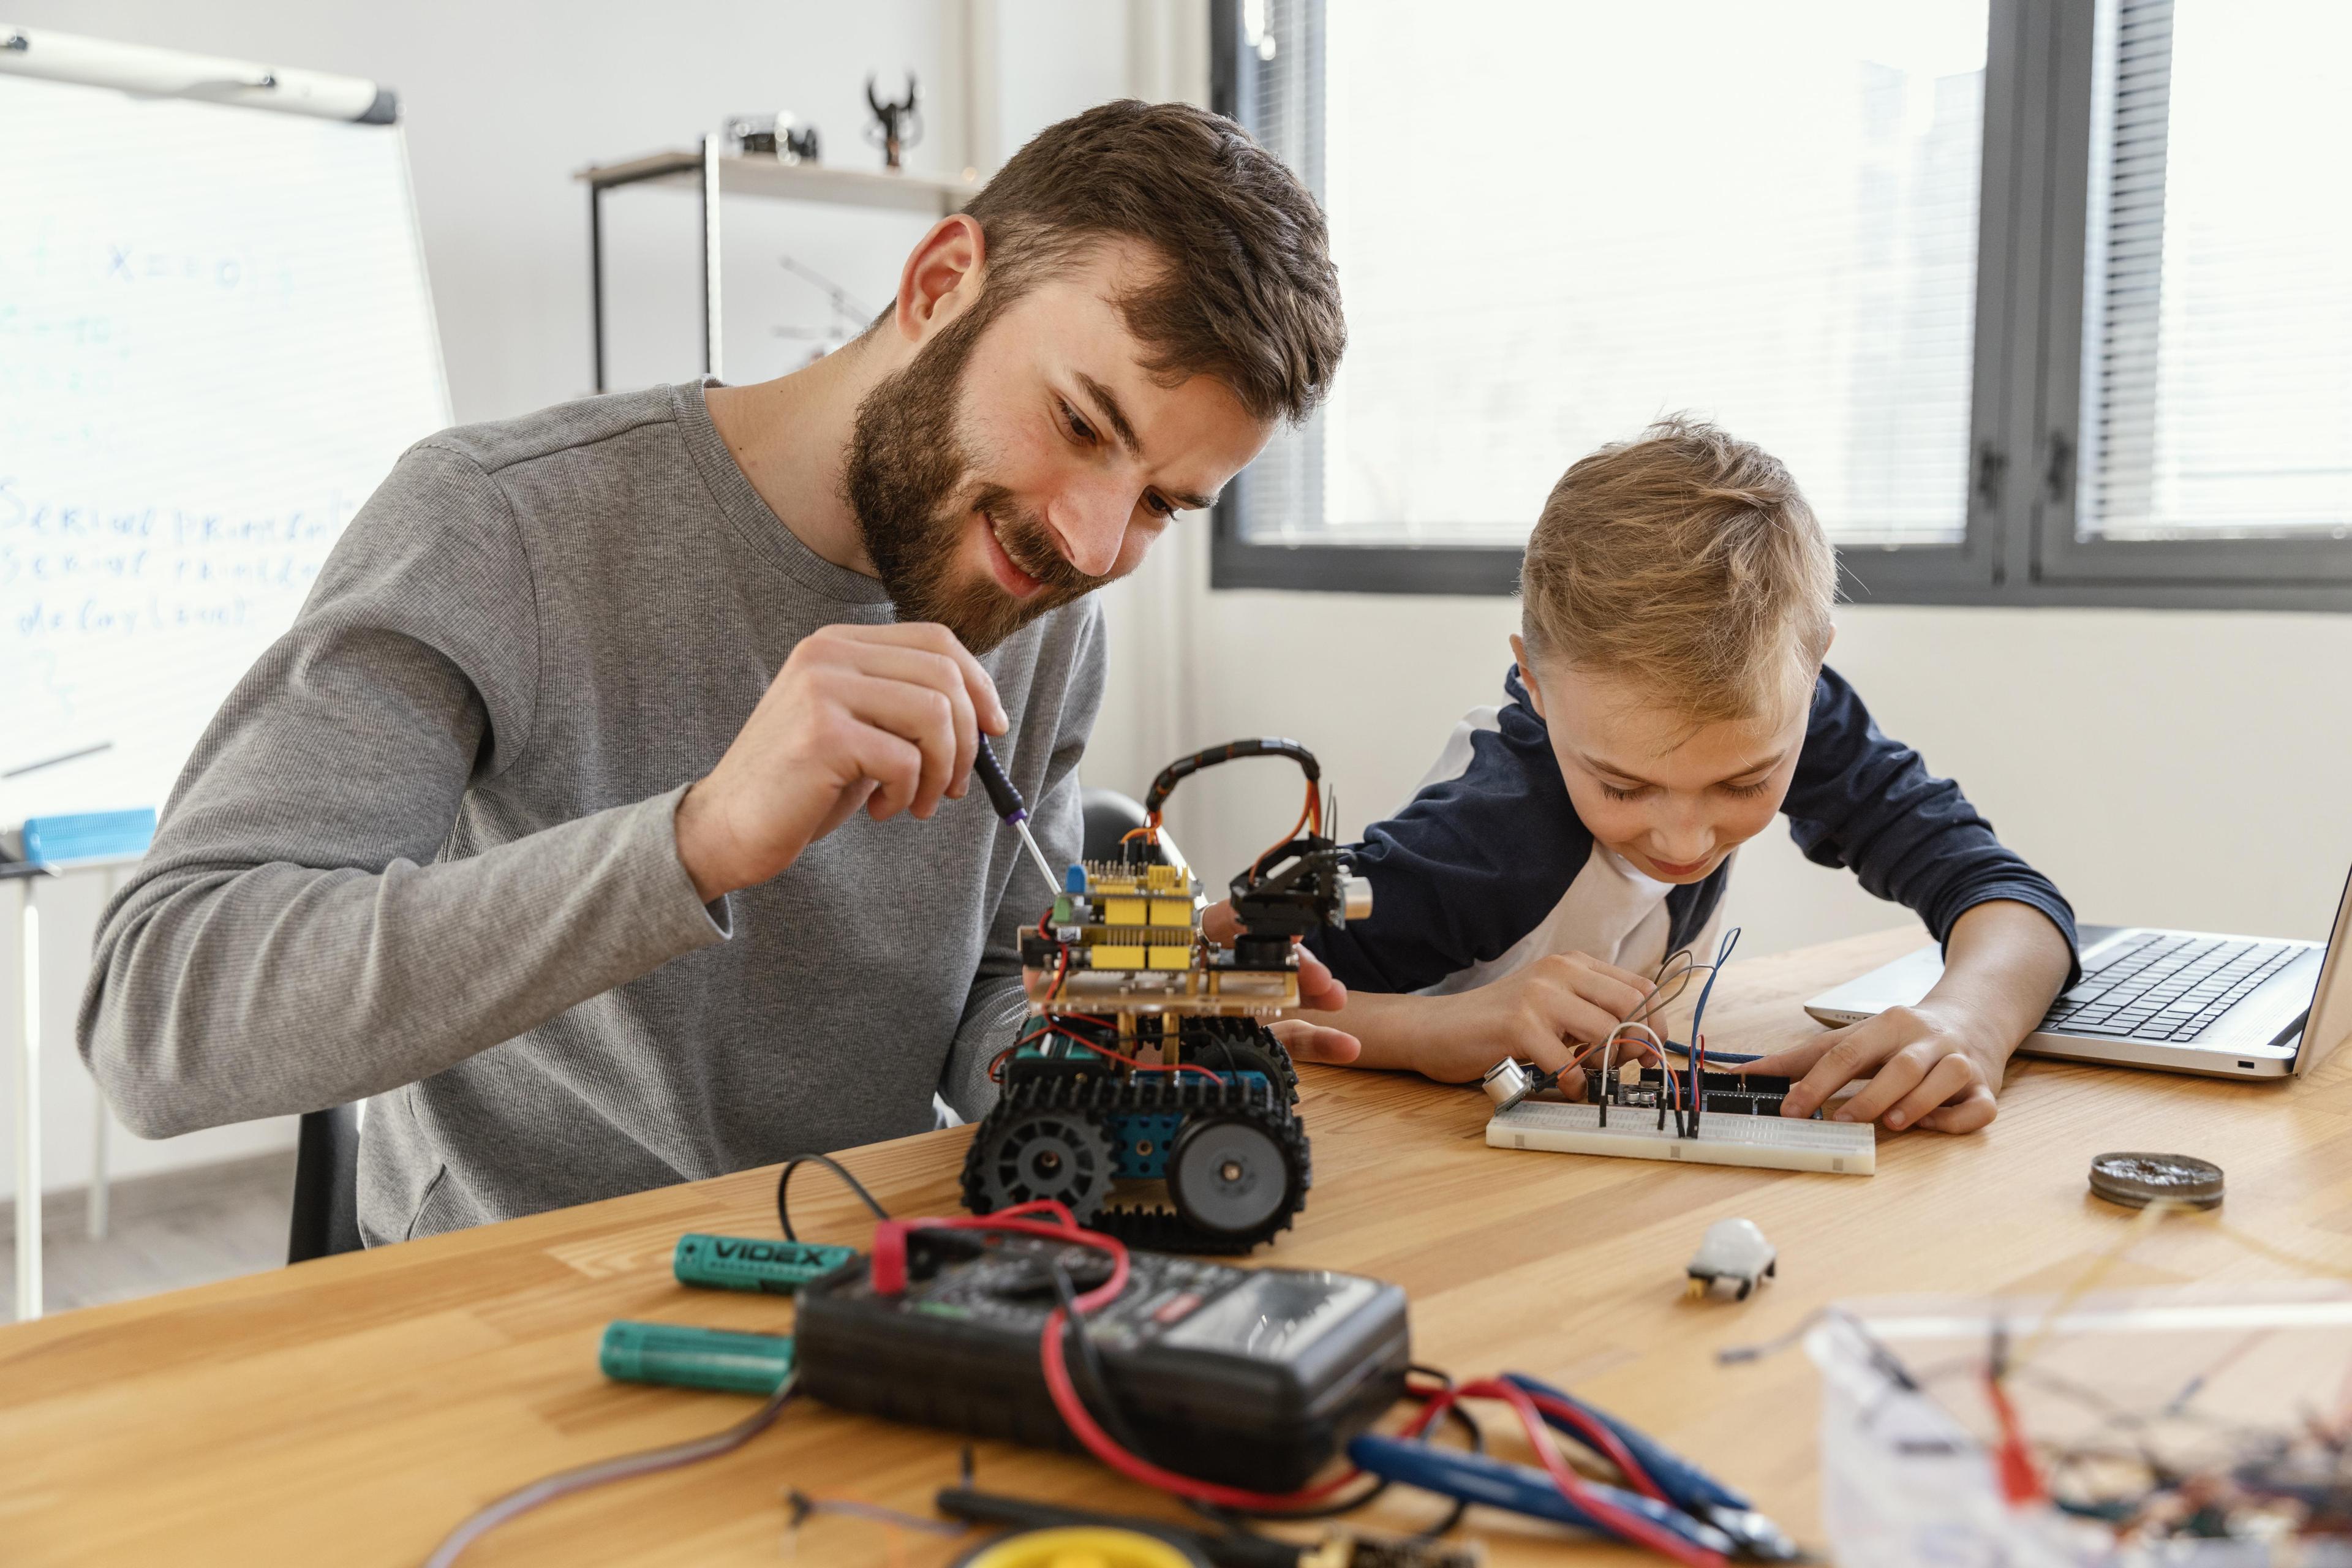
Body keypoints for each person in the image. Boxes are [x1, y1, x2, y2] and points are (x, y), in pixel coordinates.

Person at [76, 100, 1354, 1244]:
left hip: (851, 1272)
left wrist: (1104, 1053)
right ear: (942, 280)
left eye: (1160, 505)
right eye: (1082, 422)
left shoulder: (1045, 602)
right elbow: (158, 1012)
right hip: (506, 1307)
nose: (1088, 538)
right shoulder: (497, 524)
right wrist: (694, 842)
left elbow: (994, 977)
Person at [1281, 418, 2076, 1134]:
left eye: (1742, 785)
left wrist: (1968, 1022)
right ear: (1534, 684)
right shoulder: (1491, 837)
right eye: (1623, 789)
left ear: (1812, 670)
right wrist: (1438, 1030)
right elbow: (1212, 997)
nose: (1687, 838)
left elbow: (2008, 896)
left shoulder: (1778, 699)